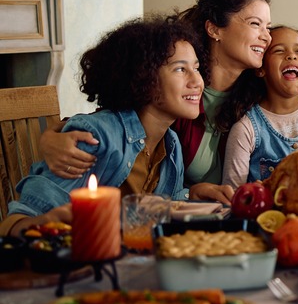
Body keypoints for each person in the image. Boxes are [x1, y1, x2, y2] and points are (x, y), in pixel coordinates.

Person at [39, 0, 298, 187]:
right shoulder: (175, 88)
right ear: (215, 30)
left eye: (267, 26)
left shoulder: (261, 88)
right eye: (255, 24)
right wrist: (50, 138)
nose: (266, 35)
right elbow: (113, 124)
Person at [0, 17, 234, 238]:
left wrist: (190, 194)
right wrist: (52, 220)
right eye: (180, 69)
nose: (198, 82)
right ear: (144, 78)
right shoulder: (94, 136)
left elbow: (158, 207)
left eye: (196, 68)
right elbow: (19, 220)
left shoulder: (170, 145)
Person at [222, 26, 298, 189]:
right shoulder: (246, 130)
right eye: (279, 51)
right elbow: (232, 196)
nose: (291, 56)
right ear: (261, 69)